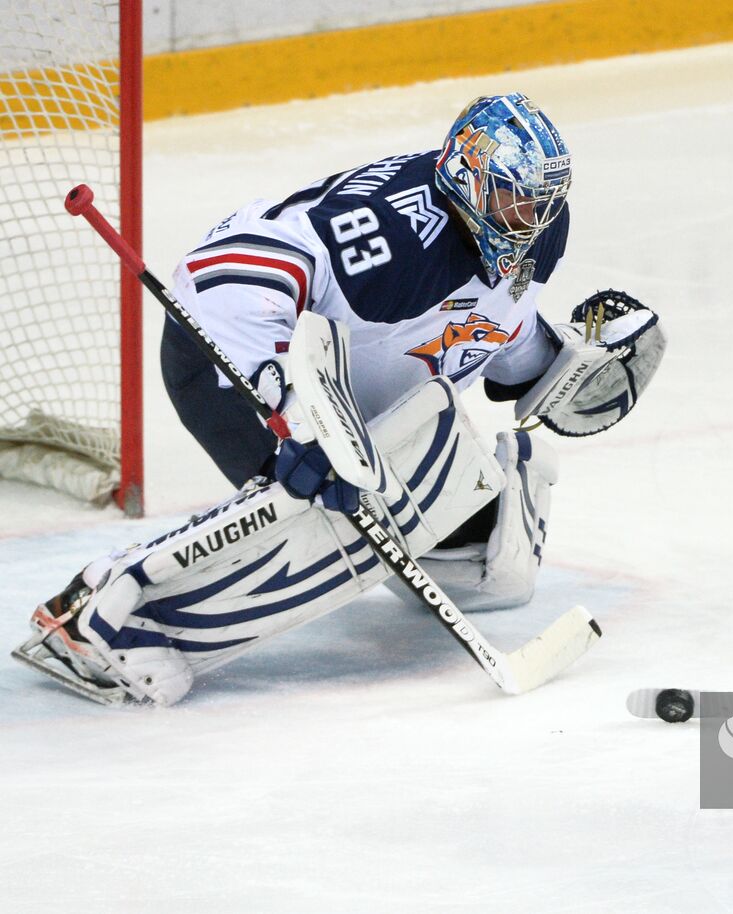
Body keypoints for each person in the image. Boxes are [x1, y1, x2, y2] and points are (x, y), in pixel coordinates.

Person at [13, 93, 666, 706]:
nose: (535, 220)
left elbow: (495, 317)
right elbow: (220, 273)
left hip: (362, 399)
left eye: (544, 202)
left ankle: (339, 506)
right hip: (230, 360)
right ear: (468, 178)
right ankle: (100, 616)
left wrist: (560, 369)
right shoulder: (393, 233)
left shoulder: (536, 235)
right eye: (517, 202)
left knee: (491, 563)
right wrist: (295, 417)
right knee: (321, 516)